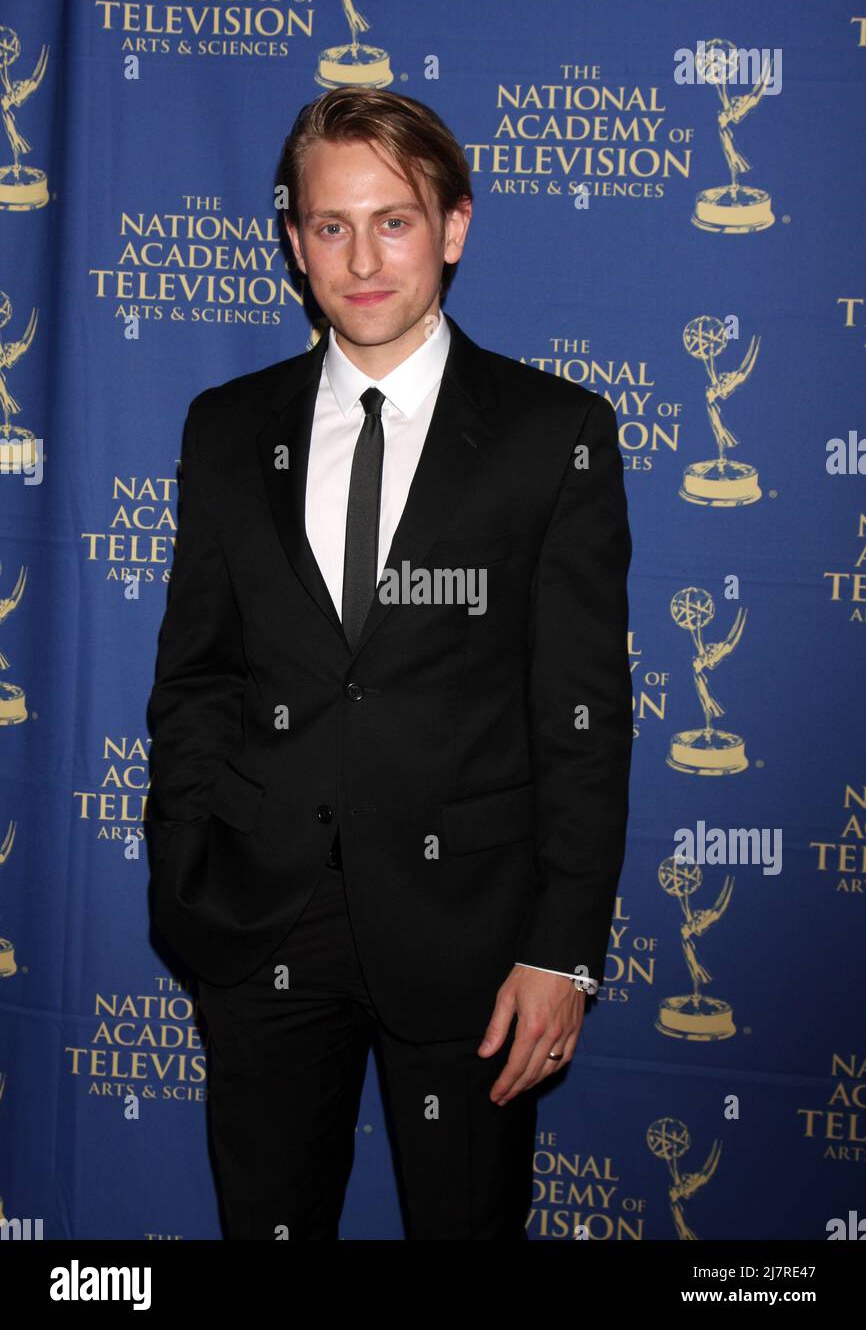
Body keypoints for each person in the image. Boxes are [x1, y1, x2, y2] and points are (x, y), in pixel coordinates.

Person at [145, 86, 633, 1240]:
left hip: (470, 935)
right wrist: (188, 867)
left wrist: (562, 950)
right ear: (293, 237)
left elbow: (579, 715)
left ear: (453, 226)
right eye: (329, 224)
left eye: (394, 219)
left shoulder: (549, 432)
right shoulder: (225, 427)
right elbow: (198, 677)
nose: (361, 258)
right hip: (264, 921)